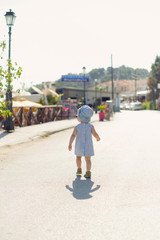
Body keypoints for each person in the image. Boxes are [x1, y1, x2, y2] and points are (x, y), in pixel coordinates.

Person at [68, 105, 100, 178]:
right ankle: (88, 172)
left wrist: (70, 143)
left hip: (79, 145)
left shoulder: (77, 127)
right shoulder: (91, 126)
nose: (77, 117)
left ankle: (79, 169)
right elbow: (95, 134)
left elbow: (73, 135)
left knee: (78, 157)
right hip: (88, 146)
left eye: (77, 116)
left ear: (81, 117)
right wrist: (97, 138)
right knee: (88, 159)